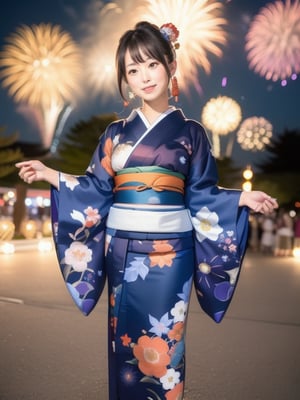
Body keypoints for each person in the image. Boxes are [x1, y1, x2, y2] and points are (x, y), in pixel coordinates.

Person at [16, 21, 278, 400]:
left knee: (166, 343)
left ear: (171, 64)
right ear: (125, 79)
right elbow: (94, 188)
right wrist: (50, 174)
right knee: (125, 347)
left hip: (173, 256)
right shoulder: (114, 134)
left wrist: (240, 198)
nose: (143, 76)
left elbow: (201, 193)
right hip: (122, 253)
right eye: (132, 70)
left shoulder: (192, 133)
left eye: (152, 64)